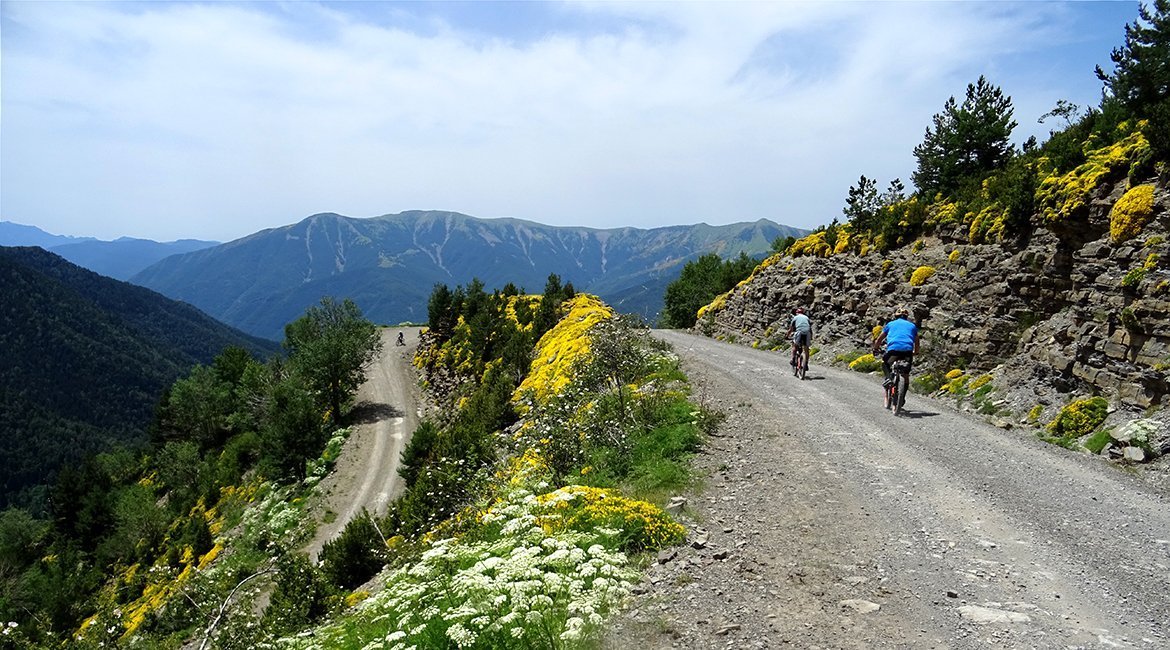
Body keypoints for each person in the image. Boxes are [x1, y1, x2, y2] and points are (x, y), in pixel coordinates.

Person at [873, 307, 918, 386]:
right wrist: (916, 352)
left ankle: (889, 378)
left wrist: (876, 348)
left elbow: (880, 339)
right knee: (906, 374)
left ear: (896, 316)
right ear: (906, 317)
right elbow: (917, 341)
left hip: (893, 350)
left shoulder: (890, 324)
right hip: (908, 351)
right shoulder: (912, 326)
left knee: (885, 363)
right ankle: (902, 396)